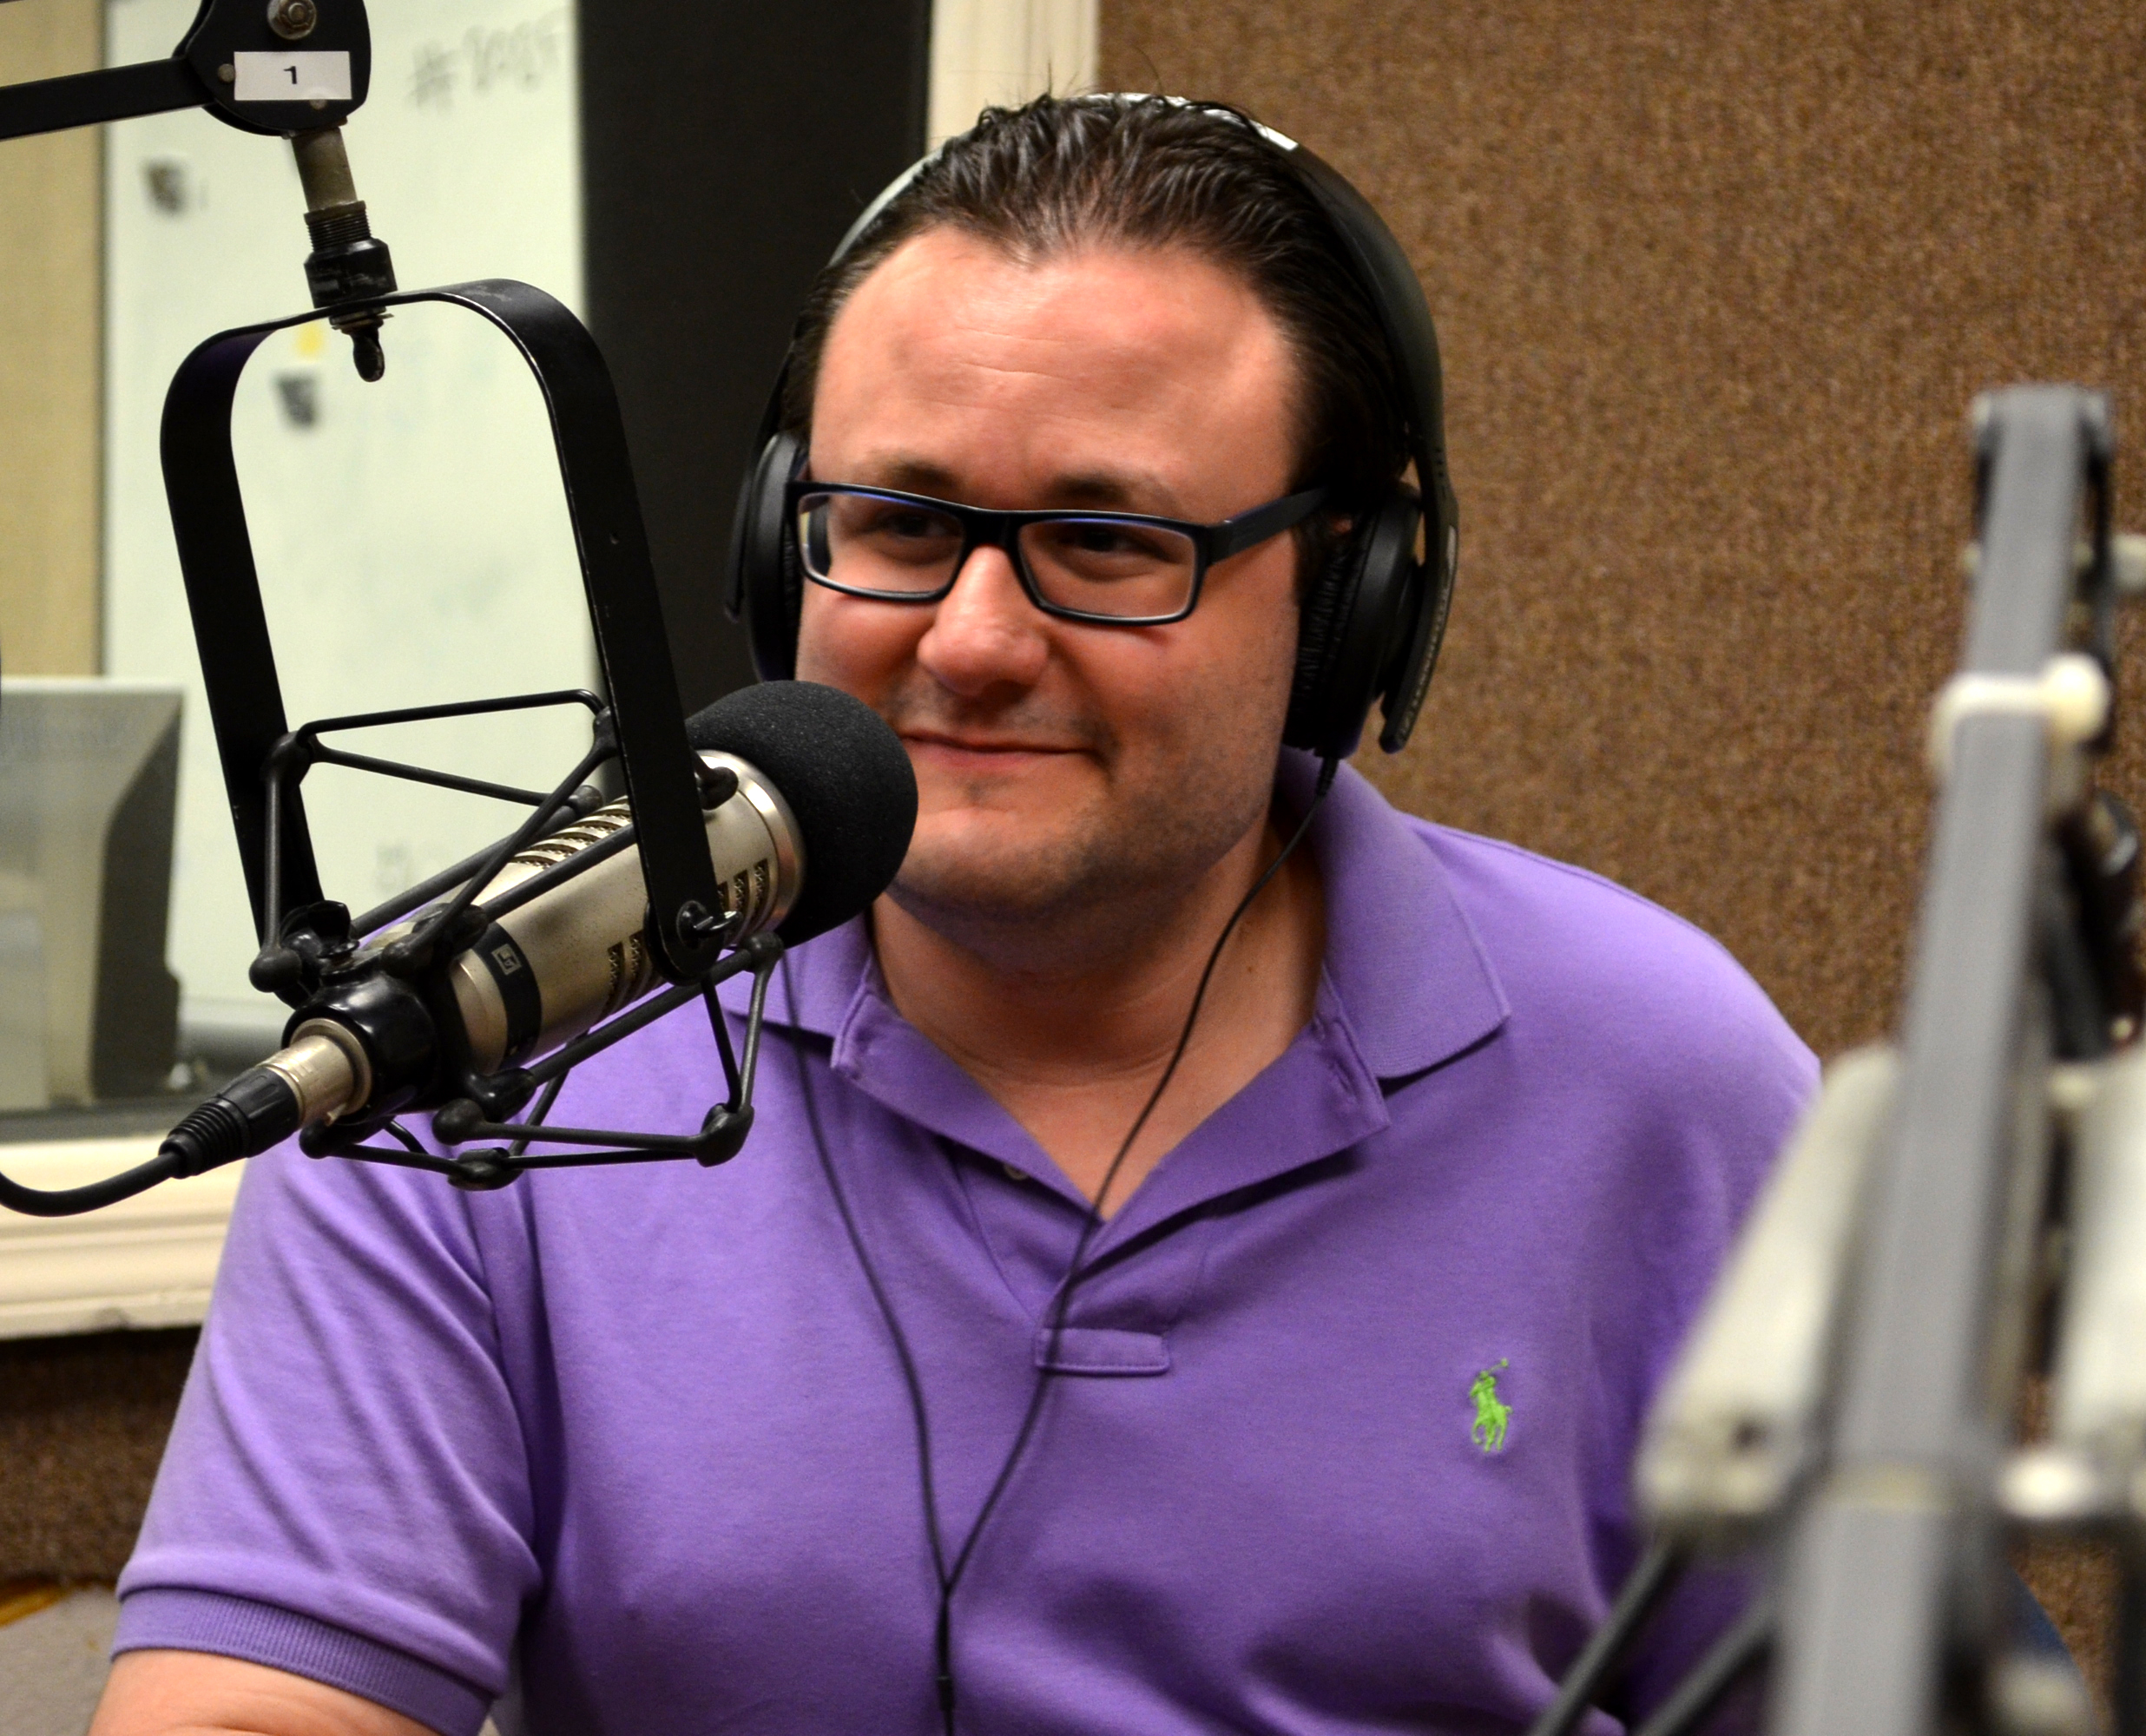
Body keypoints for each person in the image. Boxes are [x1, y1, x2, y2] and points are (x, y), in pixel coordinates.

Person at [92, 96, 1814, 1735]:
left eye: (1110, 540)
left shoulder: (1663, 1080)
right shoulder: (481, 1048)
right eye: (901, 526)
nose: (974, 642)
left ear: (1349, 597)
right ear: (779, 543)